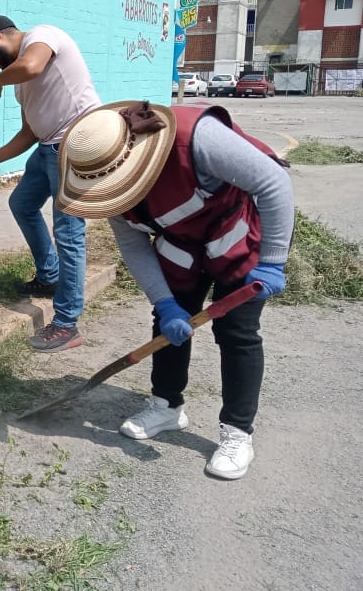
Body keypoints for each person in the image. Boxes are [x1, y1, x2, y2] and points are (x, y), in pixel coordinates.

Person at [56, 100, 293, 480]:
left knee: (237, 333)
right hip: (181, 244)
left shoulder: (196, 139)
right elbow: (134, 245)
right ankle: (167, 406)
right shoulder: (103, 176)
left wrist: (273, 260)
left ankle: (237, 433)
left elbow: (272, 181)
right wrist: (164, 303)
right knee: (167, 325)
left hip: (238, 232)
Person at [0, 16, 101, 352]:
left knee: (69, 231)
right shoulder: (19, 83)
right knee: (22, 204)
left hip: (74, 141)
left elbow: (30, 66)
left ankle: (67, 322)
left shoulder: (43, 36)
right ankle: (49, 276)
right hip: (47, 148)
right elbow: (29, 132)